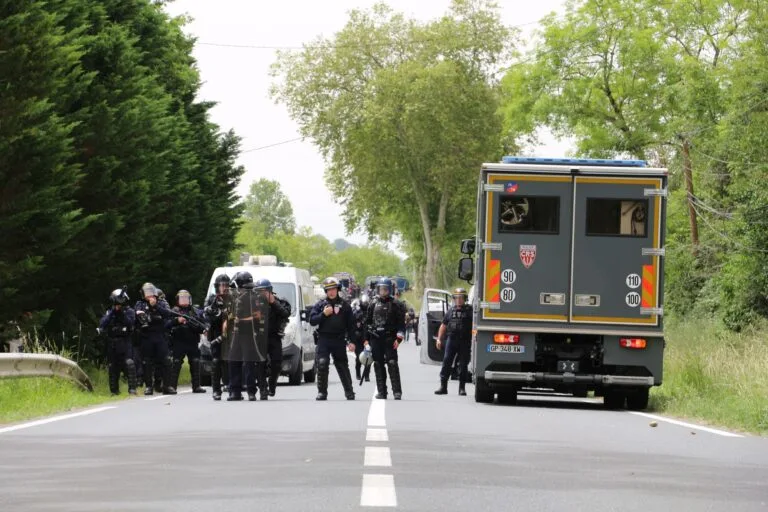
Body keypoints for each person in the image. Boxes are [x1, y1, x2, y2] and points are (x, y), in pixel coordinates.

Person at [309, 277, 356, 401]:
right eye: (329, 289)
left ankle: (349, 392)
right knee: (322, 363)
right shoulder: (320, 305)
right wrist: (323, 314)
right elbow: (312, 320)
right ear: (326, 291)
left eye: (333, 289)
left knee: (342, 365)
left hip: (339, 339)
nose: (331, 292)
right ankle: (322, 392)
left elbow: (351, 325)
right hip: (324, 339)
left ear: (338, 289)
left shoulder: (345, 306)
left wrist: (352, 341)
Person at [226, 271, 268, 401]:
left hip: (249, 334)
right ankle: (235, 391)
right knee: (233, 361)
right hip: (236, 334)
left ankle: (251, 391)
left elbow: (258, 316)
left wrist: (240, 320)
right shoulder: (235, 297)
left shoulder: (254, 298)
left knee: (249, 363)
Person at [364, 277, 406, 400]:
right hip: (376, 338)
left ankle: (397, 392)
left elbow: (401, 324)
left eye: (385, 289)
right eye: (381, 289)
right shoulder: (372, 303)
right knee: (378, 364)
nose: (383, 291)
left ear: (390, 290)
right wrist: (366, 340)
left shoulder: (396, 304)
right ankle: (382, 392)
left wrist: (398, 339)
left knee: (392, 363)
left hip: (390, 338)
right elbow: (367, 322)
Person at [134, 282, 176, 395]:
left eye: (151, 292)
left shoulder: (161, 302)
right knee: (147, 361)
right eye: (146, 293)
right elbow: (135, 318)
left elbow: (167, 314)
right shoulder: (140, 304)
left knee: (166, 360)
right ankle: (149, 386)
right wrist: (138, 314)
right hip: (146, 336)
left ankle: (167, 386)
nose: (149, 295)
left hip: (160, 335)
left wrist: (155, 305)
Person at [253, 278, 291, 398]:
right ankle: (263, 389)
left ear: (269, 291)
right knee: (260, 364)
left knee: (277, 363)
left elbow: (286, 313)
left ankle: (272, 382)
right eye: (259, 291)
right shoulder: (254, 304)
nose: (262, 294)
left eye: (264, 291)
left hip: (274, 337)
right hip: (259, 337)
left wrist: (273, 302)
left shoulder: (279, 302)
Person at [167, 290, 208, 394]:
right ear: (178, 300)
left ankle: (196, 386)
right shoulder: (173, 311)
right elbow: (166, 325)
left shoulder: (195, 311)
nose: (184, 300)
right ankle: (172, 386)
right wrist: (177, 321)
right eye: (182, 299)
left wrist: (201, 329)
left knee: (195, 362)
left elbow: (202, 325)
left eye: (186, 298)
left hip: (192, 341)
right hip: (179, 341)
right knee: (176, 363)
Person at [98, 287, 137, 396]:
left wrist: (121, 313)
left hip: (125, 341)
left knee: (129, 363)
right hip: (112, 342)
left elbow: (130, 323)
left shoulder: (129, 311)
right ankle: (114, 391)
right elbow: (102, 324)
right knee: (112, 366)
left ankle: (132, 389)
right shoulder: (110, 312)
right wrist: (113, 312)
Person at [435, 288, 473, 396]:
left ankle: (462, 388)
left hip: (464, 341)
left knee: (463, 364)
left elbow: (475, 325)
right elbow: (443, 325)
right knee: (446, 361)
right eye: (456, 298)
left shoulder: (470, 311)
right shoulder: (451, 311)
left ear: (465, 299)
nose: (458, 300)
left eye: (461, 298)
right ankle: (443, 387)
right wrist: (439, 339)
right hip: (451, 340)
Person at [204, 274, 232, 401]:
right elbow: (206, 316)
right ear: (217, 287)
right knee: (216, 361)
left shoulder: (233, 298)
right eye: (222, 285)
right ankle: (216, 390)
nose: (224, 288)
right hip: (216, 333)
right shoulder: (212, 300)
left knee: (230, 361)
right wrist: (212, 313)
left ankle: (231, 386)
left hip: (231, 333)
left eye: (226, 285)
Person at [351, 299, 368, 382]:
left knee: (368, 358)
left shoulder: (368, 313)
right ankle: (358, 373)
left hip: (367, 339)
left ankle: (366, 375)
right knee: (359, 358)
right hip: (358, 340)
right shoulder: (354, 315)